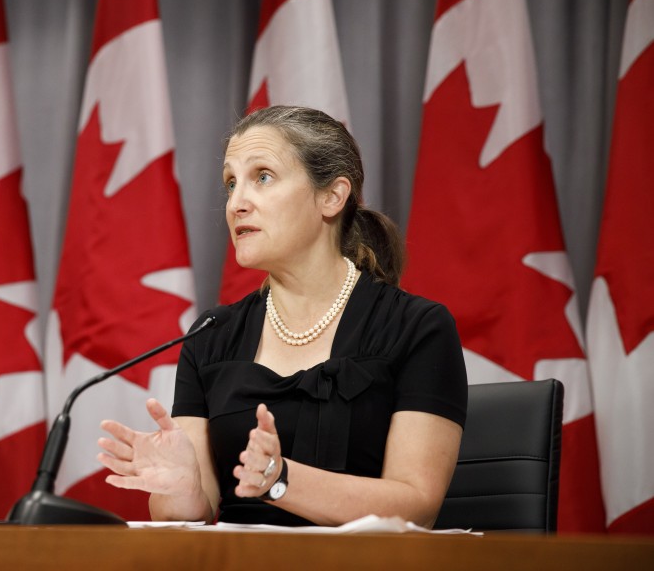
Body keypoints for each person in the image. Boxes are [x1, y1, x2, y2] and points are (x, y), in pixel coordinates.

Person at [96, 105, 467, 527]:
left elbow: (417, 503)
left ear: (332, 196)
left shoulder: (415, 327)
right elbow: (188, 517)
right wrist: (182, 488)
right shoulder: (211, 337)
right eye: (231, 183)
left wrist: (280, 479)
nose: (236, 203)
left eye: (262, 177)